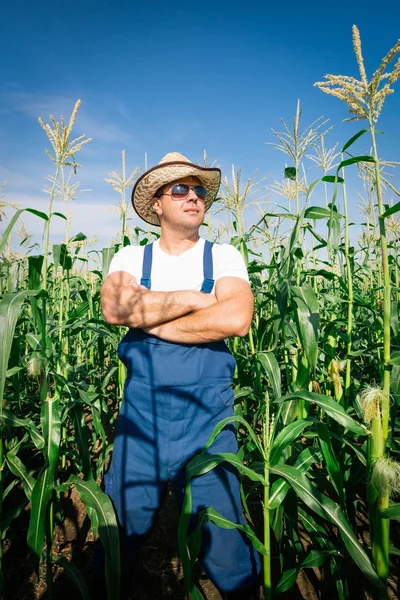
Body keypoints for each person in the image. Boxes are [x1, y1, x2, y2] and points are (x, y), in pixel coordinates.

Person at [100, 152, 261, 599]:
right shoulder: (131, 256)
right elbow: (115, 308)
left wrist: (149, 315)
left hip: (209, 425)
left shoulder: (223, 256)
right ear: (156, 204)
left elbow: (237, 319)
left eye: (198, 190)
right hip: (141, 421)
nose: (193, 196)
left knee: (228, 545)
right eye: (180, 189)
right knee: (119, 537)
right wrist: (196, 297)